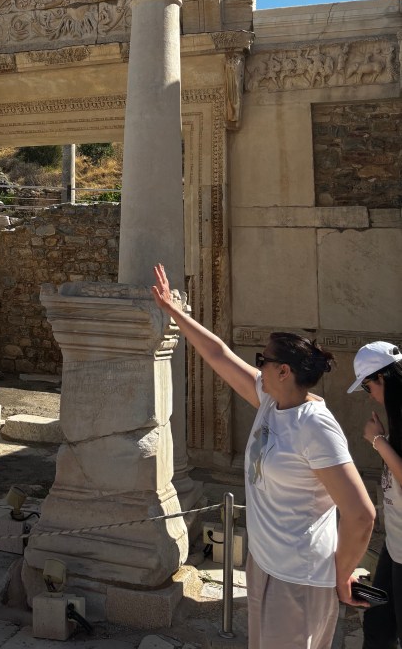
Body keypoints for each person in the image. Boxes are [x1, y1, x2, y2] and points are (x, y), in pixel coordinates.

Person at [151, 263, 375, 649]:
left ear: (283, 371)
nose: (257, 366)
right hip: (265, 564)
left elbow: (361, 513)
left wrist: (341, 575)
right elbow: (218, 355)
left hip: (300, 577)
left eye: (263, 360)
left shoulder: (315, 427)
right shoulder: (271, 402)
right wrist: (175, 312)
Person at [348, 340, 402, 648]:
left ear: (382, 378)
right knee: (378, 623)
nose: (370, 395)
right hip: (394, 544)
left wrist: (378, 441)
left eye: (368, 387)